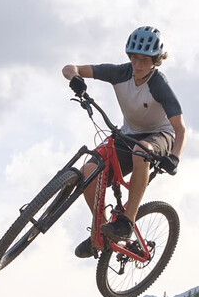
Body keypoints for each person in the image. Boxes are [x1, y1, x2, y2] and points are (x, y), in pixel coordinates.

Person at [62, 26, 187, 258]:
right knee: (88, 171)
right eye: (134, 58)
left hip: (160, 136)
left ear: (156, 60)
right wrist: (76, 79)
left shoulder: (159, 85)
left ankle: (127, 222)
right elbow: (70, 68)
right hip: (128, 134)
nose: (138, 65)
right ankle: (99, 234)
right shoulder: (120, 73)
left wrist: (175, 157)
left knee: (141, 151)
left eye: (145, 60)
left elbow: (180, 128)